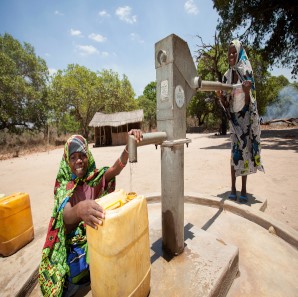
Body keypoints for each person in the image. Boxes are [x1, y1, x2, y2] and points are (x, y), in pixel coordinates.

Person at [38, 129, 142, 297]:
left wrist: (129, 147)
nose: (79, 161)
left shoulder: (93, 179)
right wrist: (79, 210)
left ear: (89, 157)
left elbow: (115, 169)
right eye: (73, 157)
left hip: (95, 237)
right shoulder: (64, 187)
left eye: (82, 156)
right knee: (74, 273)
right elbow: (64, 217)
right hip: (75, 245)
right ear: (67, 161)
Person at [216, 39, 264, 203]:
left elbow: (251, 103)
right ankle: (233, 188)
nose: (231, 54)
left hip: (245, 120)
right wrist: (221, 97)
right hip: (234, 120)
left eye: (234, 52)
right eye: (229, 52)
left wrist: (246, 91)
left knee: (244, 153)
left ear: (239, 53)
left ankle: (243, 189)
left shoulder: (247, 73)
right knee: (234, 154)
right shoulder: (226, 76)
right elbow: (226, 105)